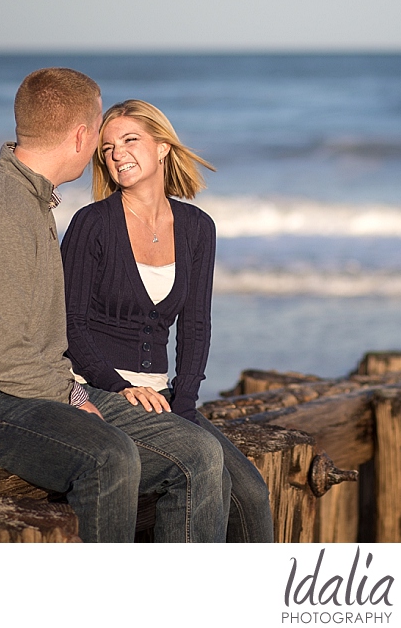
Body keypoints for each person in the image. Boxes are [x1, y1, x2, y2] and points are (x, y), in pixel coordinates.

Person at [0, 68, 227, 543]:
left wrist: (81, 393)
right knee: (110, 456)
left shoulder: (30, 200)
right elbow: (7, 359)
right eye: (101, 133)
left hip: (27, 387)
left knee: (200, 455)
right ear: (82, 136)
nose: (109, 148)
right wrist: (77, 398)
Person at [60, 99, 274, 543]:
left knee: (251, 494)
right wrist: (119, 387)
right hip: (98, 388)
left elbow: (196, 324)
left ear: (162, 147)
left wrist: (186, 403)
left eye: (130, 140)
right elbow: (69, 324)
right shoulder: (92, 224)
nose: (117, 154)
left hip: (160, 393)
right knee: (199, 463)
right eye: (106, 148)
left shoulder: (198, 227)